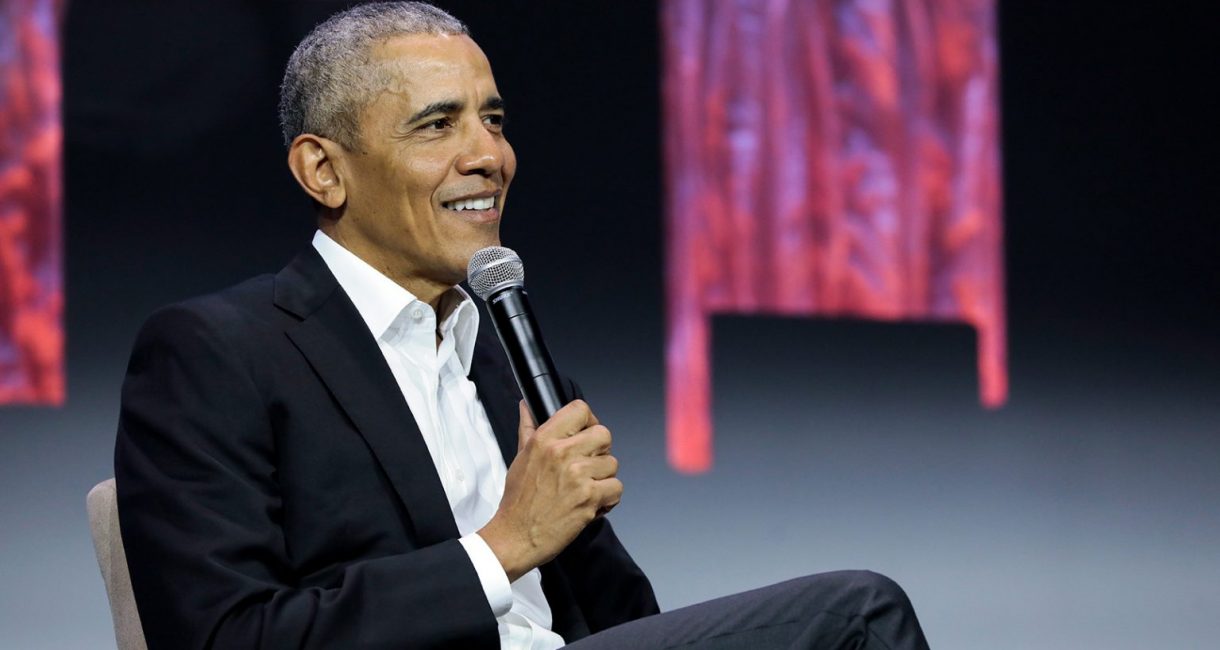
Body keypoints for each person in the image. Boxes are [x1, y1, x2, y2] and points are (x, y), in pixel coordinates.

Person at [114, 3, 931, 649]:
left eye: (494, 120)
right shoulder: (216, 354)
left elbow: (622, 618)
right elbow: (226, 636)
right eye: (438, 126)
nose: (489, 156)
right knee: (856, 618)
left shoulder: (507, 356)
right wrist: (502, 545)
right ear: (323, 169)